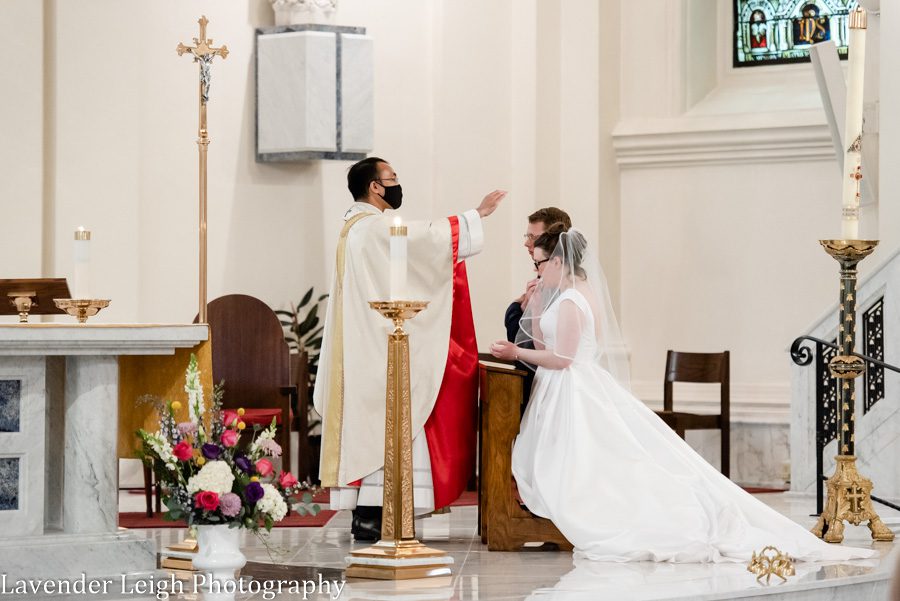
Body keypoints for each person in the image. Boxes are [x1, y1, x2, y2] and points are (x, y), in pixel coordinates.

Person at [490, 225, 873, 562]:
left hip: (573, 390)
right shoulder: (571, 294)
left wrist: (515, 353)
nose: (537, 271)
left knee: (592, 465)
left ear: (558, 261)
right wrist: (535, 305)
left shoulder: (573, 300)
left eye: (539, 264)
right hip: (566, 388)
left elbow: (563, 358)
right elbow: (546, 345)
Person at [314, 156, 506, 541]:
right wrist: (474, 216)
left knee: (379, 423)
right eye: (392, 178)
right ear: (374, 186)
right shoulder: (371, 228)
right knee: (387, 420)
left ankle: (371, 511)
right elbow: (423, 239)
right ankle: (375, 511)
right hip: (376, 345)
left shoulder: (356, 227)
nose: (397, 183)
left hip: (368, 340)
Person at [503, 208, 572, 405]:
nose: (526, 243)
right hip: (534, 377)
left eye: (532, 237)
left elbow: (544, 346)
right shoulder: (545, 277)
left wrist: (523, 308)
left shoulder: (561, 285)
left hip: (550, 381)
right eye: (527, 236)